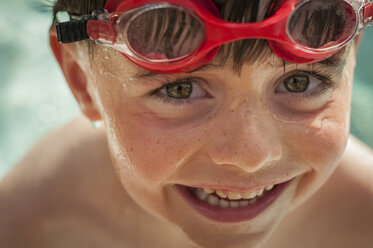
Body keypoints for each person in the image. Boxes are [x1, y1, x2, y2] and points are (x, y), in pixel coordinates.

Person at [1, 0, 373, 247]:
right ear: (82, 82)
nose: (251, 156)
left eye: (299, 83)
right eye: (180, 89)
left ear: (352, 60)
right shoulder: (28, 228)